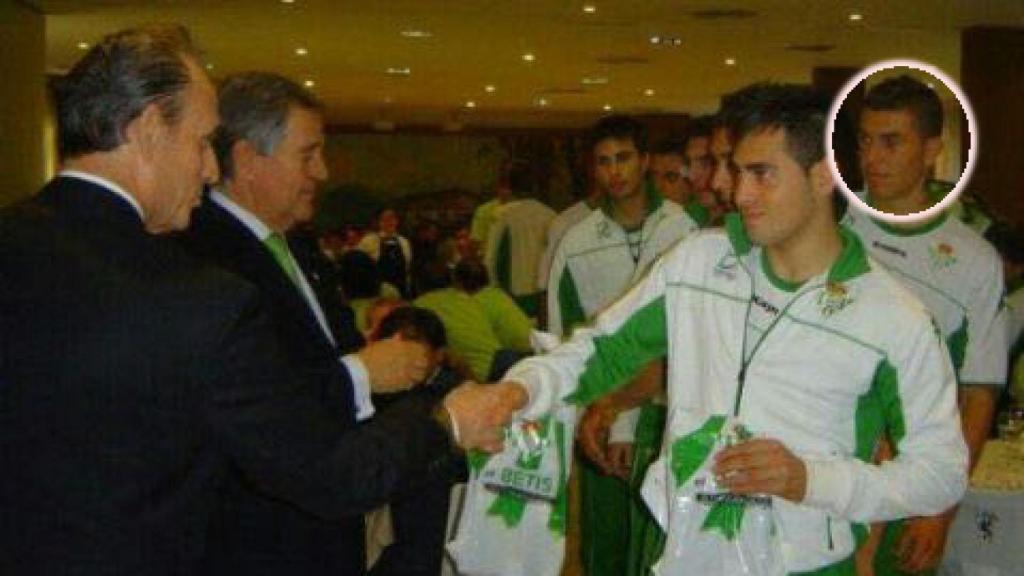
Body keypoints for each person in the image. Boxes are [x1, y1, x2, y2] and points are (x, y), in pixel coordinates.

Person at [0, 26, 522, 576]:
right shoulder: (199, 297)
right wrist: (446, 421)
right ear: (150, 127)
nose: (208, 171)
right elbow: (330, 475)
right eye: (203, 143)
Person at [499, 83, 968, 574]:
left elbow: (940, 472)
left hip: (807, 565)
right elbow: (601, 352)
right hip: (686, 553)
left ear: (823, 174)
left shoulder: (893, 316)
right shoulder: (697, 265)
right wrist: (519, 391)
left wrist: (811, 479)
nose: (738, 193)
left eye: (762, 174)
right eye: (737, 171)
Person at [844, 75, 1007, 575]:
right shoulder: (829, 226)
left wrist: (941, 506)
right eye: (866, 141)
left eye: (892, 141)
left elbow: (979, 393)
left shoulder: (974, 261)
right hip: (816, 463)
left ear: (933, 149)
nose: (874, 157)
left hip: (905, 478)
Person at [546, 114, 699, 576]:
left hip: (665, 414)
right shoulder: (575, 243)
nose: (615, 171)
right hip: (600, 416)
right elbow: (564, 338)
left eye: (624, 158)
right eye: (604, 161)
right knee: (604, 548)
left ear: (645, 161)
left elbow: (693, 338)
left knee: (658, 545)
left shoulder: (685, 232)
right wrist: (589, 416)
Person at [648, 137, 712, 226]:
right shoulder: (648, 205)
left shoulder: (700, 215)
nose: (658, 186)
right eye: (654, 176)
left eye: (671, 177)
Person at [358, 207, 413, 297]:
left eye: (392, 218)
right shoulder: (369, 241)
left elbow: (407, 269)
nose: (389, 222)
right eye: (385, 219)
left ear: (397, 221)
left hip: (402, 290)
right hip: (377, 292)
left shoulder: (404, 242)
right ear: (379, 222)